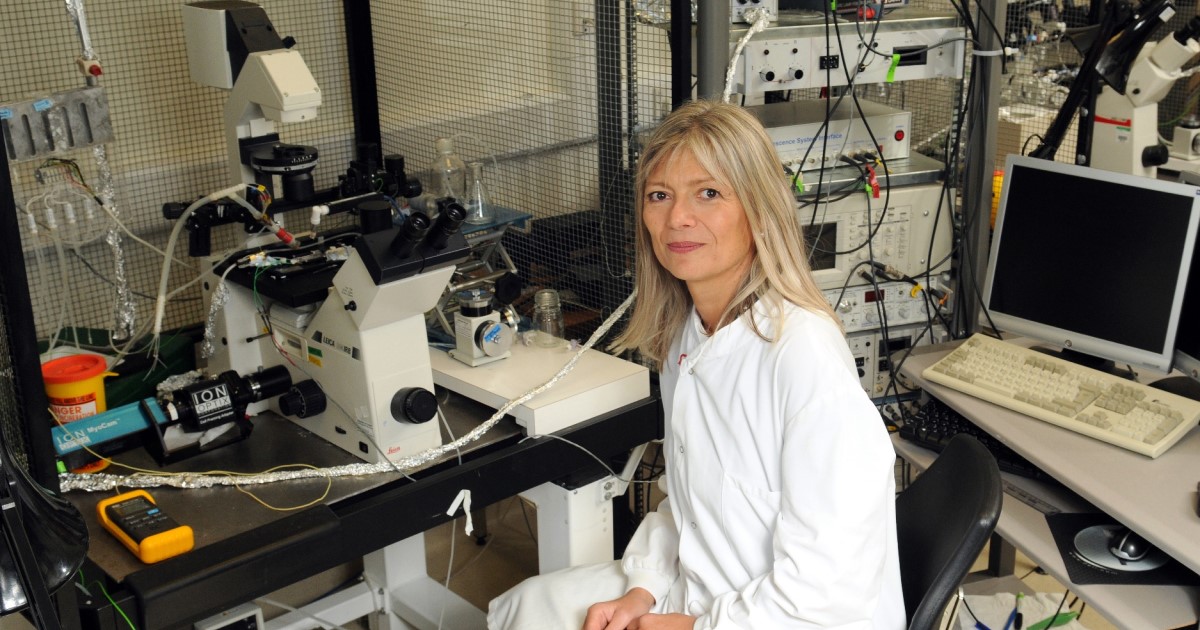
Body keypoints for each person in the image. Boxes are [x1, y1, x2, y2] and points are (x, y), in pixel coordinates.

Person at [487, 99, 904, 630]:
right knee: (525, 608)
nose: (677, 218)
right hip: (704, 588)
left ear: (759, 208)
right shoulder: (689, 336)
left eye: (708, 193)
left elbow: (831, 591)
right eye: (660, 196)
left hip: (791, 619)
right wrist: (643, 588)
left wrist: (693, 627)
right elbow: (688, 507)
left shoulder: (802, 357)